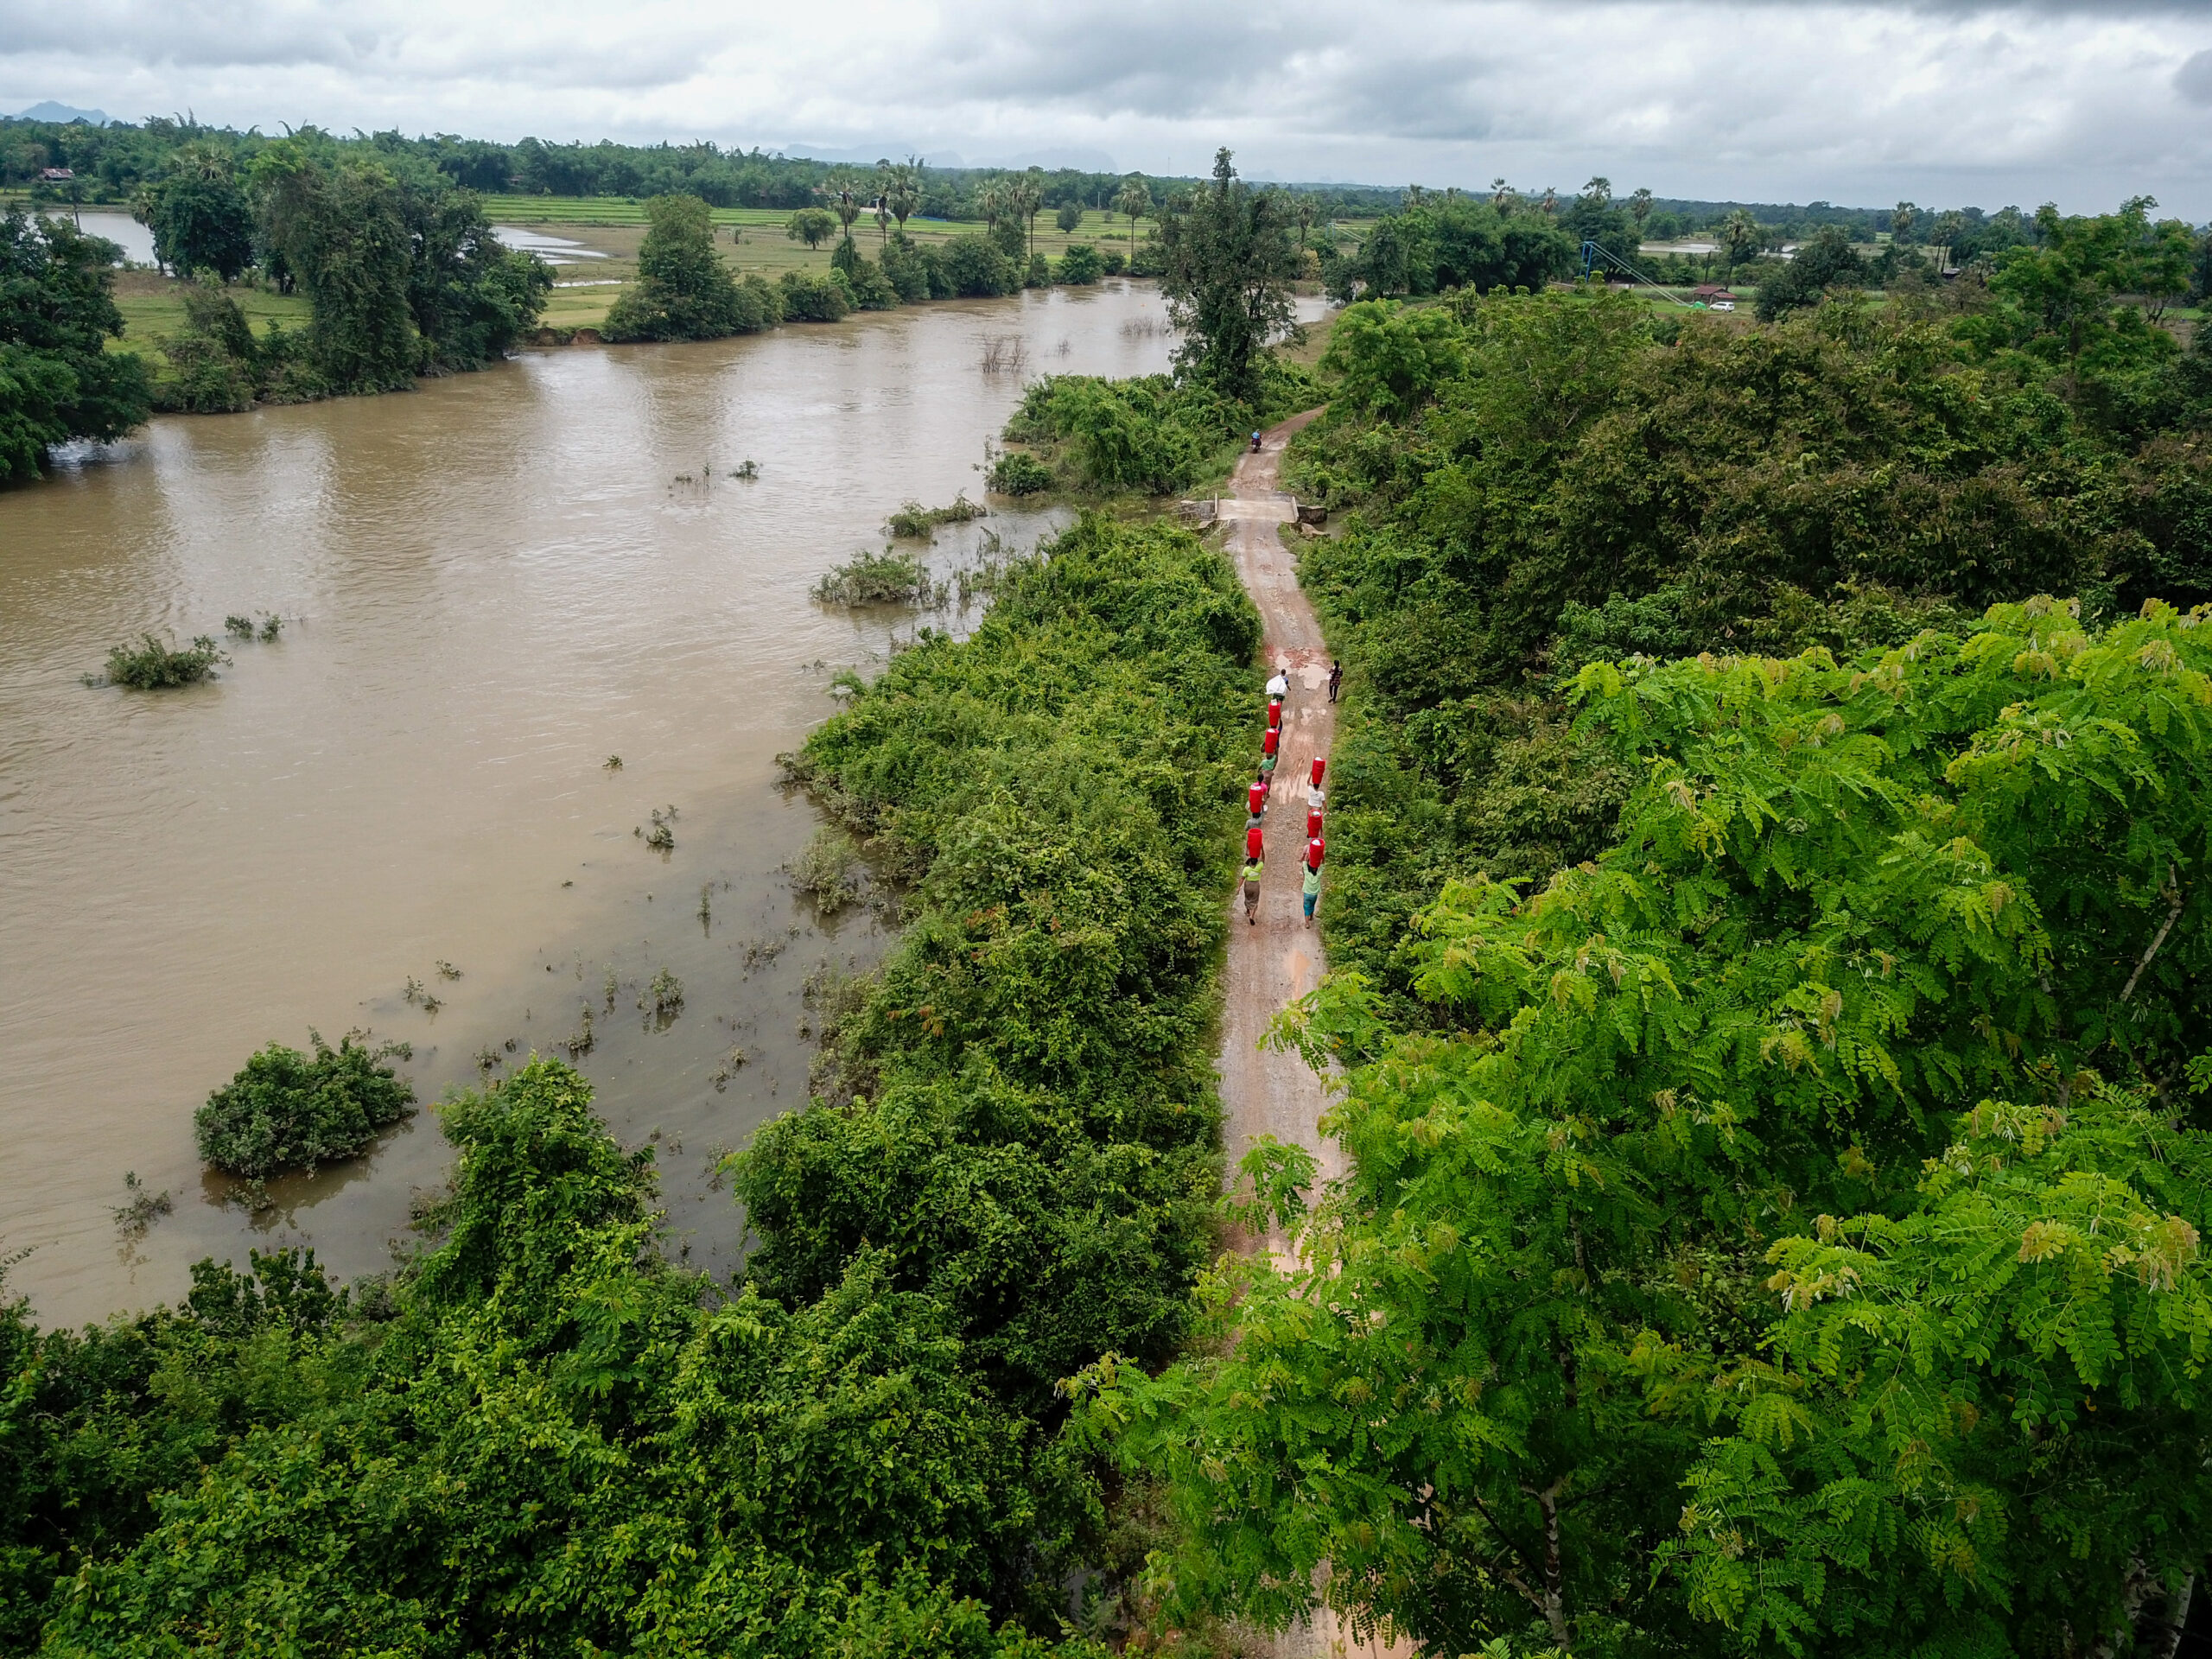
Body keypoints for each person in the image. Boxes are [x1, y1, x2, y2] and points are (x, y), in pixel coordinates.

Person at [1242, 855, 1263, 924]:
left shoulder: (1246, 869)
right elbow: (1263, 859)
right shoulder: (1259, 867)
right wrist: (1262, 850)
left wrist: (1238, 887)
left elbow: (1242, 878)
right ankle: (1252, 916)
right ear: (1257, 862)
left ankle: (1248, 911)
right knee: (1255, 901)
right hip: (1255, 885)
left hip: (1248, 885)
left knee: (1248, 898)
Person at [1302, 860, 1321, 926]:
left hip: (1307, 895)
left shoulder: (1307, 874)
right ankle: (1311, 917)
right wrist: (1323, 859)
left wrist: (1307, 858)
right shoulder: (1318, 876)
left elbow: (1304, 865)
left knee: (1306, 908)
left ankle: (1307, 924)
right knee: (1312, 905)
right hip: (1314, 895)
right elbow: (1322, 867)